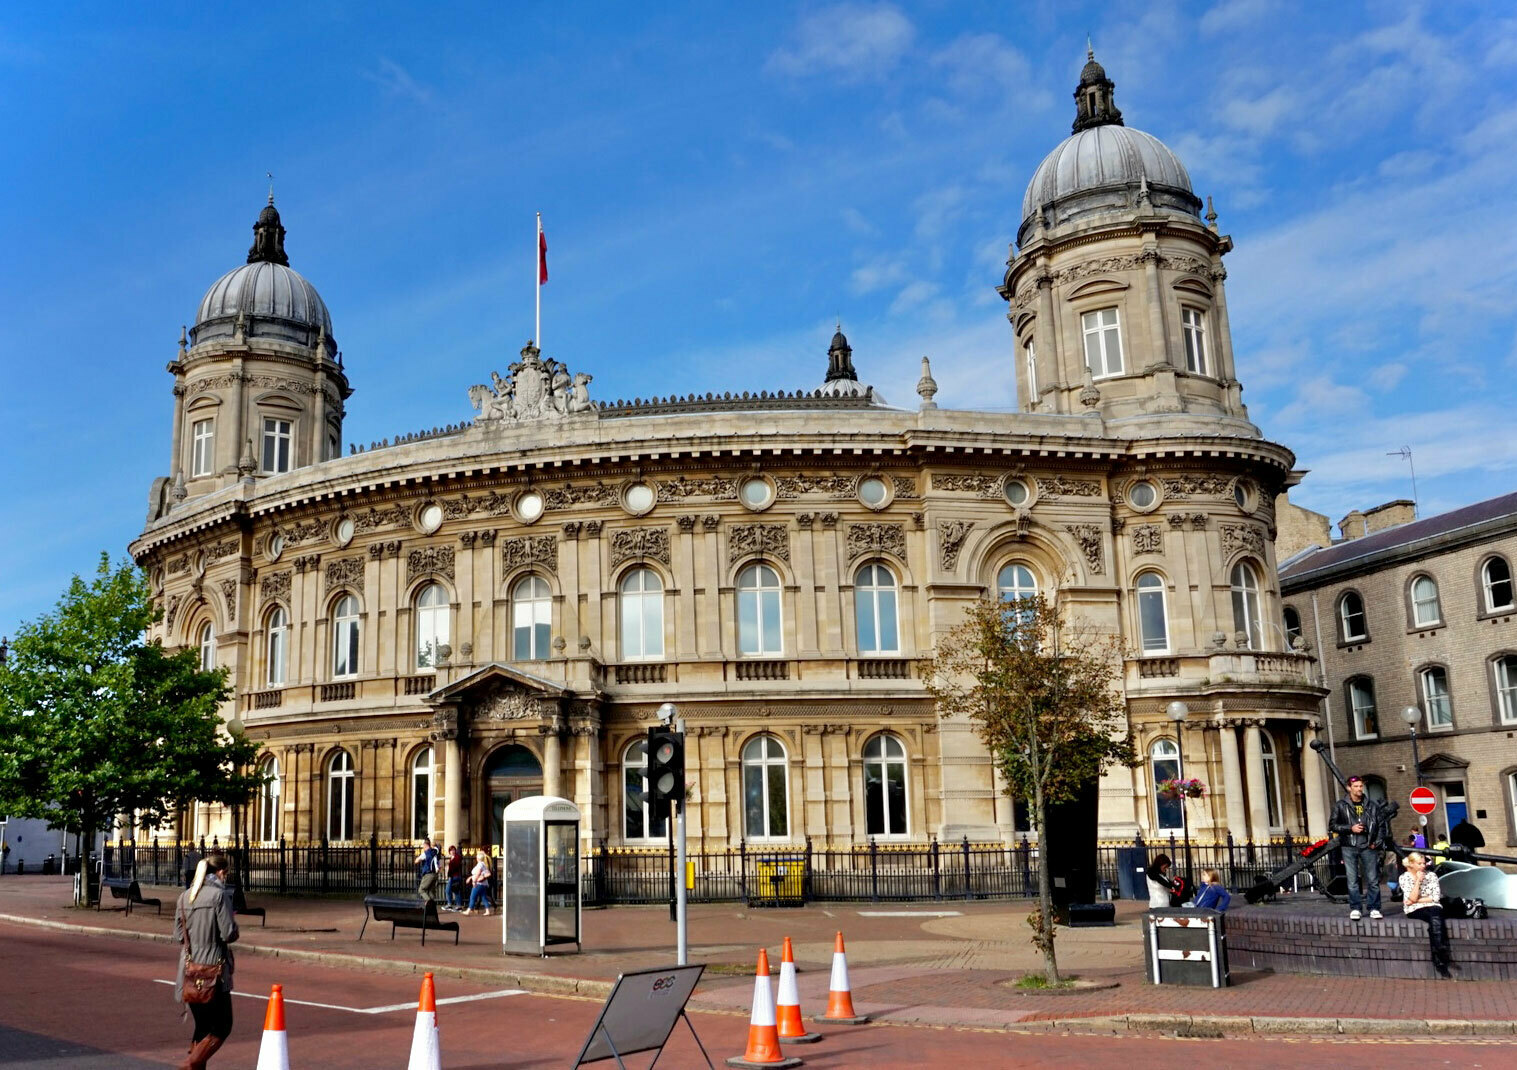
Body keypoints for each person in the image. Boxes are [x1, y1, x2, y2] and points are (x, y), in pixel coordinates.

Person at [173, 851, 238, 1069]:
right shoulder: (219, 896)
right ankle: (189, 1064)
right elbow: (228, 933)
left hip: (189, 969)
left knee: (202, 1027)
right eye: (225, 873)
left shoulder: (185, 896)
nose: (225, 877)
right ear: (220, 872)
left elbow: (179, 935)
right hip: (213, 970)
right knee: (222, 1026)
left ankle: (194, 1063)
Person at [1329, 774, 1388, 920]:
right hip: (1349, 846)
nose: (1359, 789)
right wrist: (1350, 828)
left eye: (1361, 786)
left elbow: (1381, 826)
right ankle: (1355, 908)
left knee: (1373, 879)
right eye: (1356, 786)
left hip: (1368, 845)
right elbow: (1332, 825)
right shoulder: (1341, 805)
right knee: (1352, 879)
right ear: (1349, 788)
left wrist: (1377, 842)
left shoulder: (1372, 806)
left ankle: (1374, 907)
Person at [1399, 851, 1452, 979]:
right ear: (1411, 864)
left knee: (1435, 915)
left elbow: (1435, 897)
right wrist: (1418, 881)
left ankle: (1438, 954)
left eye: (1424, 863)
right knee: (1435, 917)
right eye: (1419, 863)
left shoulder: (1432, 875)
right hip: (1414, 909)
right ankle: (1439, 953)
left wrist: (1415, 900)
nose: (1423, 866)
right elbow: (1411, 896)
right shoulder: (1404, 878)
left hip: (1430, 905)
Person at [466, 849, 494, 915]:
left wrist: (474, 881)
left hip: (479, 883)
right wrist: (471, 878)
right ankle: (487, 911)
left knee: (472, 897)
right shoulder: (483, 864)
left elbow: (477, 874)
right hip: (484, 884)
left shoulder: (479, 865)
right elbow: (488, 873)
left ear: (477, 858)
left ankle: (469, 910)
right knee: (484, 897)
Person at [414, 837, 440, 903]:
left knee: (421, 890)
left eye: (423, 845)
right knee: (431, 892)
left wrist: (418, 858)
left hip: (428, 874)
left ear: (425, 845)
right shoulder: (435, 851)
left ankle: (428, 902)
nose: (422, 846)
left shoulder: (425, 854)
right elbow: (438, 847)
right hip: (435, 874)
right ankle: (432, 907)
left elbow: (416, 861)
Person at [443, 845, 465, 912]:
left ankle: (458, 906)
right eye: (451, 850)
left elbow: (455, 867)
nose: (452, 851)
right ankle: (450, 904)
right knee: (448, 890)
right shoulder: (452, 858)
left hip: (455, 876)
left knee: (455, 891)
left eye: (453, 850)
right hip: (452, 876)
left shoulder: (457, 857)